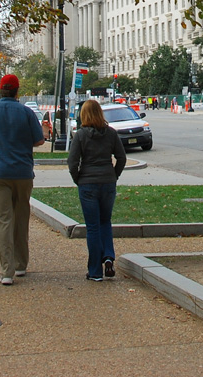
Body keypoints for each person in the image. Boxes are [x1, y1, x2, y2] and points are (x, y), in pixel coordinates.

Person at [0, 73, 44, 285]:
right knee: (21, 219)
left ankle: (7, 270)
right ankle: (21, 264)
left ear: (0, 90)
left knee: (2, 221)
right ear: (16, 91)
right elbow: (39, 140)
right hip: (22, 172)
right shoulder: (26, 112)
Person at [67, 98, 126, 282]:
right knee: (105, 221)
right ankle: (108, 256)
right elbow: (121, 157)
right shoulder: (110, 133)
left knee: (92, 227)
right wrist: (114, 175)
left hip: (88, 182)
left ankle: (95, 271)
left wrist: (78, 178)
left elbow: (72, 162)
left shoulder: (81, 135)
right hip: (107, 181)